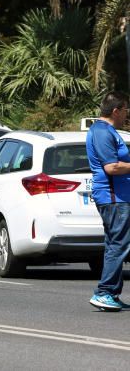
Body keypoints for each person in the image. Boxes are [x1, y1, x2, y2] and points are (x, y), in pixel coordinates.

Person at [86, 91, 130, 312]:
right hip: (114, 198)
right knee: (118, 244)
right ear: (116, 110)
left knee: (116, 243)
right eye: (125, 110)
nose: (126, 115)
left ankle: (111, 292)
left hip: (118, 197)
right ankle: (105, 292)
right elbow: (111, 167)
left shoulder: (106, 130)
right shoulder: (102, 132)